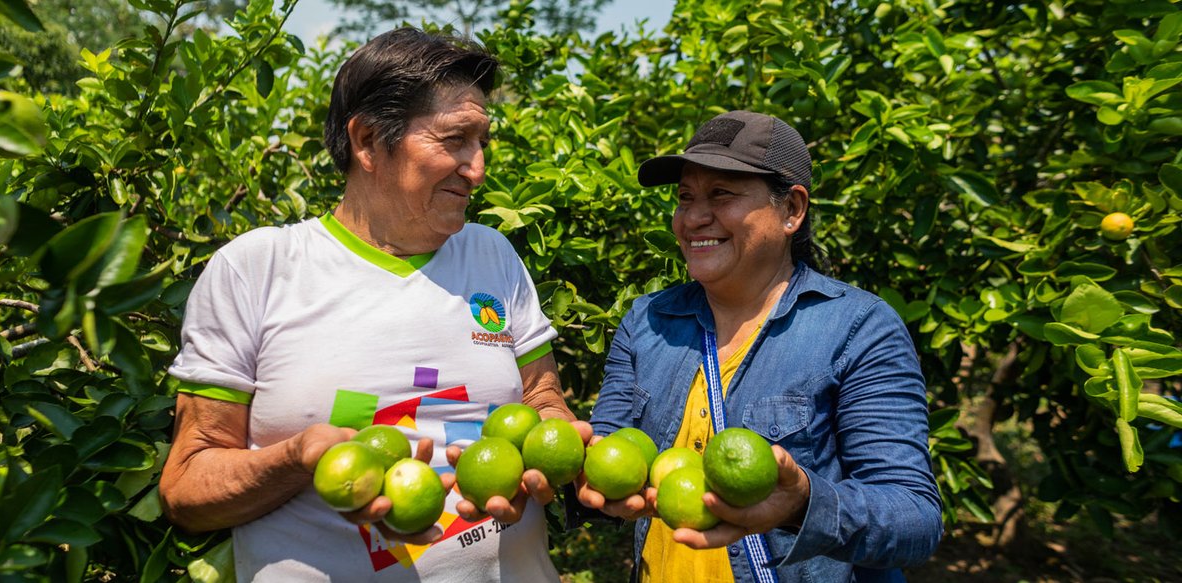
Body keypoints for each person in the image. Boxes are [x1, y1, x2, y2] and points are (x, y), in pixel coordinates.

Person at [159, 27, 583, 581]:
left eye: (482, 144)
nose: (477, 169)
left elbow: (542, 398)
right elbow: (187, 485)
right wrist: (297, 459)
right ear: (367, 142)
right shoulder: (257, 269)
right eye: (454, 140)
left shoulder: (492, 256)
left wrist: (556, 442)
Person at [579, 110, 943, 582]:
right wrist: (576, 480)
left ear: (792, 209)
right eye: (685, 198)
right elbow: (609, 453)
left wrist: (803, 503)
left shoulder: (858, 329)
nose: (694, 217)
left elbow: (914, 515)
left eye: (721, 194)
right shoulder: (647, 321)